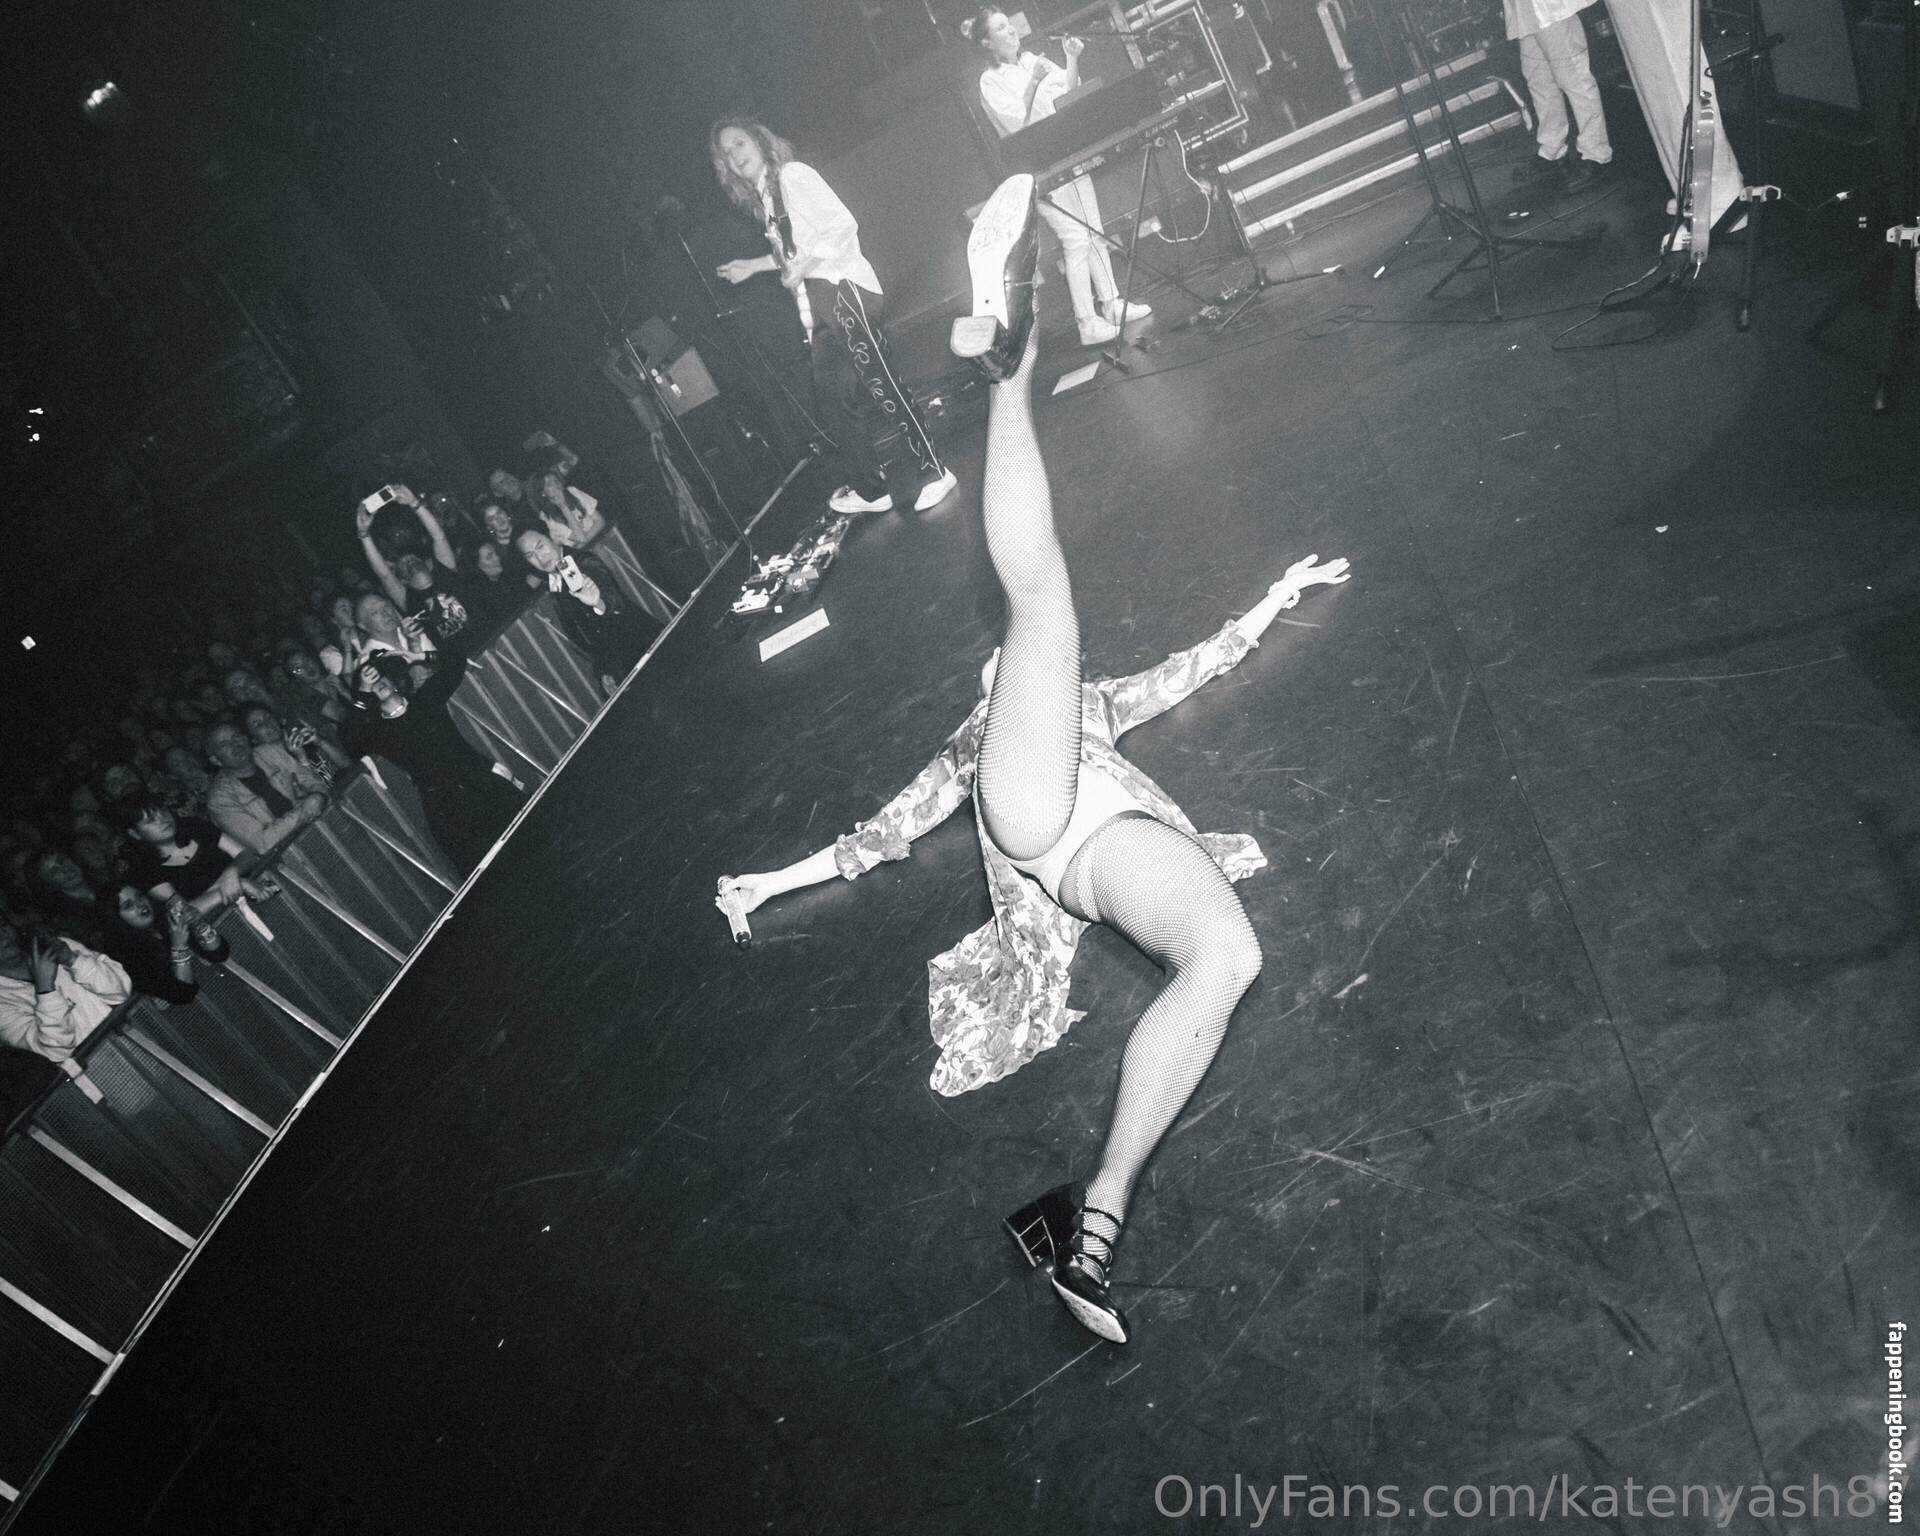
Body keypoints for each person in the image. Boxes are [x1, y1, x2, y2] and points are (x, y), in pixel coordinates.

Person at [722, 176, 1348, 1345]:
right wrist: (766, 882)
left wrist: (1276, 598)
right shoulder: (979, 744)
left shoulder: (1091, 704)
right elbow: (881, 835)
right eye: (1004, 673)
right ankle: (1006, 363)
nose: (1013, 676)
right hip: (1032, 820)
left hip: (1106, 849)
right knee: (1045, 599)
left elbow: (1193, 667)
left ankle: (1088, 1222)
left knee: (1230, 955)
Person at [711, 115, 957, 519]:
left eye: (739, 143)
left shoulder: (792, 176)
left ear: (758, 141)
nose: (735, 155)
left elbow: (842, 225)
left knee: (880, 382)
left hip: (845, 290)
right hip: (824, 302)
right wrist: (753, 267)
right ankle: (871, 489)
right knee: (831, 395)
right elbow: (794, 254)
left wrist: (802, 267)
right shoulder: (769, 200)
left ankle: (935, 470)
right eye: (726, 153)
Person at [967, 7, 1153, 347]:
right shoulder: (990, 81)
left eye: (1009, 24)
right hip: (1039, 167)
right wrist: (1034, 82)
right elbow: (1016, 121)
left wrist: (1071, 59)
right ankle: (1087, 323)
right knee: (1076, 238)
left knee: (1094, 231)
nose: (1011, 30)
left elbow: (1069, 94)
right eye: (1001, 28)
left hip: (1068, 153)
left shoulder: (1032, 60)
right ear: (987, 42)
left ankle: (1111, 304)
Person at [340, 643, 522, 871]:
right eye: (370, 684)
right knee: (491, 870)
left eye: (380, 677)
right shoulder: (380, 734)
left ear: (394, 682)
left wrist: (417, 656)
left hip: (484, 782)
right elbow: (349, 739)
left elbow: (456, 659)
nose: (377, 682)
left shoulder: (426, 700)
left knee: (531, 833)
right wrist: (363, 691)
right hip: (446, 807)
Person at [515, 529, 657, 685]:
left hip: (643, 644)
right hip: (618, 661)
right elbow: (582, 631)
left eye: (540, 546)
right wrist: (605, 668)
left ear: (553, 538)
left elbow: (615, 601)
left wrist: (598, 603)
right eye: (530, 555)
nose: (540, 558)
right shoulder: (553, 576)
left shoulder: (583, 561)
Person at [1505, 0, 1613, 193]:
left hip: (1551, 8)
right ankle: (1552, 150)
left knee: (1575, 79)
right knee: (1539, 81)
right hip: (1524, 10)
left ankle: (1596, 154)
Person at [0, 916, 131, 1062]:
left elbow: (122, 991)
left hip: (135, 1036)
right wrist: (45, 990)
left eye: (2, 924)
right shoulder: (3, 1004)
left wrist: (73, 960)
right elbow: (56, 1052)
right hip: (98, 1068)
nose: (2, 935)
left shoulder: (56, 946)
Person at [204, 723, 329, 857]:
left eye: (236, 736)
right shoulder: (219, 799)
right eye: (223, 745)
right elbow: (261, 843)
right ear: (216, 760)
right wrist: (304, 810)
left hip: (322, 825)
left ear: (245, 738)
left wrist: (318, 795)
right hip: (289, 856)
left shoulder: (269, 752)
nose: (235, 744)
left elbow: (314, 783)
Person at [96, 886, 222, 1006]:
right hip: (192, 1014)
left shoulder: (167, 919)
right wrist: (179, 947)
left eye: (139, 896)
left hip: (220, 987)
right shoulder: (129, 958)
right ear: (117, 920)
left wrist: (198, 924)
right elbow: (184, 994)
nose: (139, 904)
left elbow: (219, 953)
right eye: (128, 905)